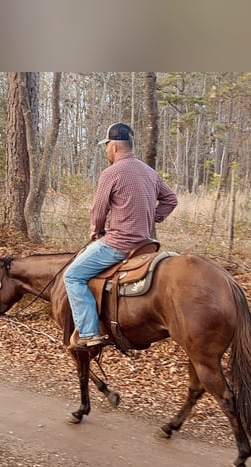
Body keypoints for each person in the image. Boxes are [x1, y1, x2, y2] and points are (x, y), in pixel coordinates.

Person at [63, 122, 178, 348]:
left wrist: (96, 231)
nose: (106, 151)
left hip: (117, 245)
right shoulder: (150, 172)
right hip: (145, 245)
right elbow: (171, 199)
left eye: (106, 146)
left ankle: (88, 332)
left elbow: (98, 211)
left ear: (114, 147)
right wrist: (151, 216)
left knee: (72, 276)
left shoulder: (111, 173)